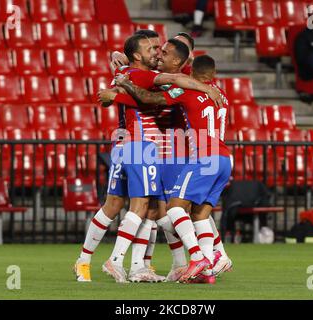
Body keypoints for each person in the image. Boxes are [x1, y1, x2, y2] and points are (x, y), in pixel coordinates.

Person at [74, 34, 221, 283]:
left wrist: (117, 83)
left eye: (159, 48)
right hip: (139, 146)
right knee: (141, 208)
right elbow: (168, 81)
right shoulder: (142, 75)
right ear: (138, 55)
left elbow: (137, 91)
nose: (156, 51)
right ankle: (116, 262)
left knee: (138, 208)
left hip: (136, 146)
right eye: (151, 48)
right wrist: (208, 87)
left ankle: (101, 262)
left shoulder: (131, 73)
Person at [115, 55, 232, 283]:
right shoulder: (222, 95)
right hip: (224, 160)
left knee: (175, 208)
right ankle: (207, 271)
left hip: (204, 157)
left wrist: (126, 84)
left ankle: (197, 257)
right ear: (213, 73)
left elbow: (151, 99)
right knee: (200, 215)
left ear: (192, 73)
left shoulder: (186, 91)